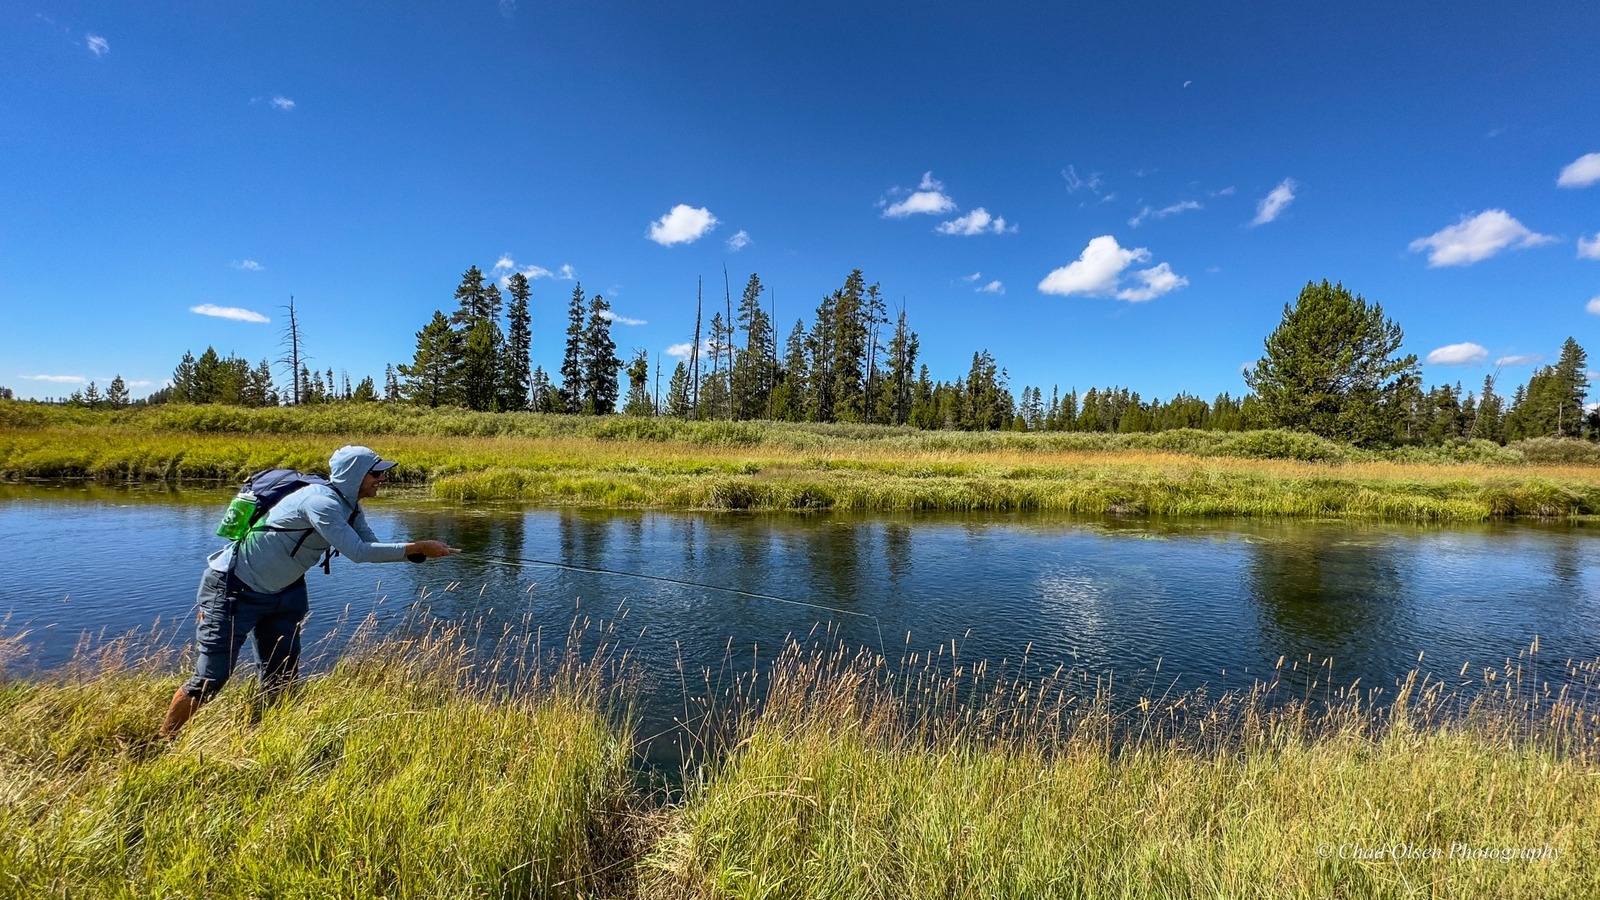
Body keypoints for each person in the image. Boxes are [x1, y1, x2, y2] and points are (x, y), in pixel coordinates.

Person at [159, 445, 458, 737]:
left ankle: (264, 735)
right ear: (355, 475)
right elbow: (358, 551)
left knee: (283, 675)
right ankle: (164, 741)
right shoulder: (320, 502)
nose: (382, 478)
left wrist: (415, 553)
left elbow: (370, 543)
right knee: (212, 678)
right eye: (376, 473)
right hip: (233, 589)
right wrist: (417, 547)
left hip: (285, 593)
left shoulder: (350, 507)